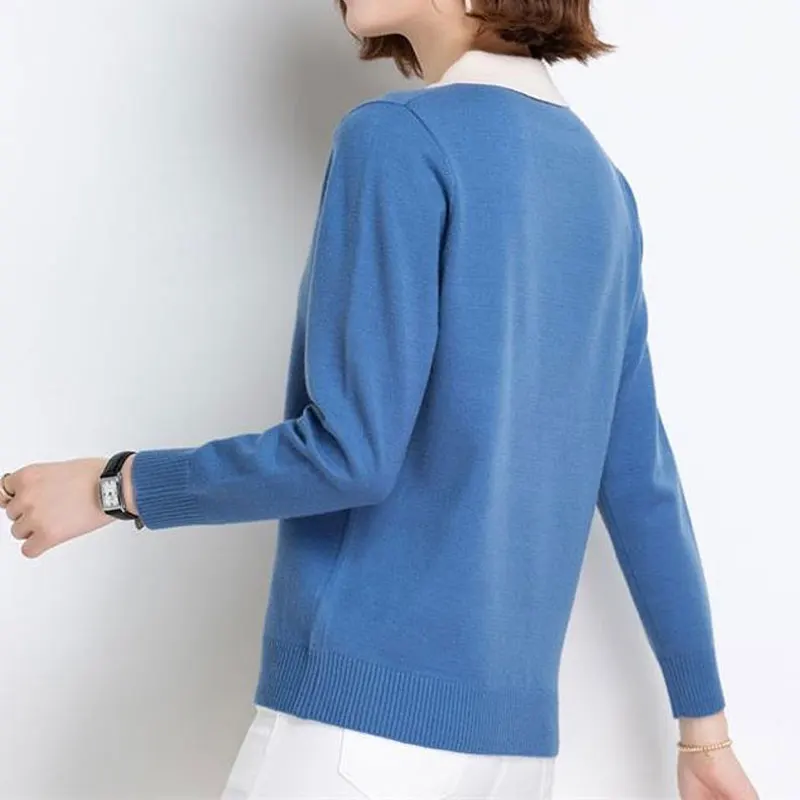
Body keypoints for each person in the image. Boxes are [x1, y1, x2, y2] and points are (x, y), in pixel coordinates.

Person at [0, 1, 760, 798]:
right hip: (512, 759)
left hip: (357, 738)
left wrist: (114, 487)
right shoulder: (603, 187)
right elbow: (640, 484)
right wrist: (704, 734)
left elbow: (348, 456)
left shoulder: (398, 137)